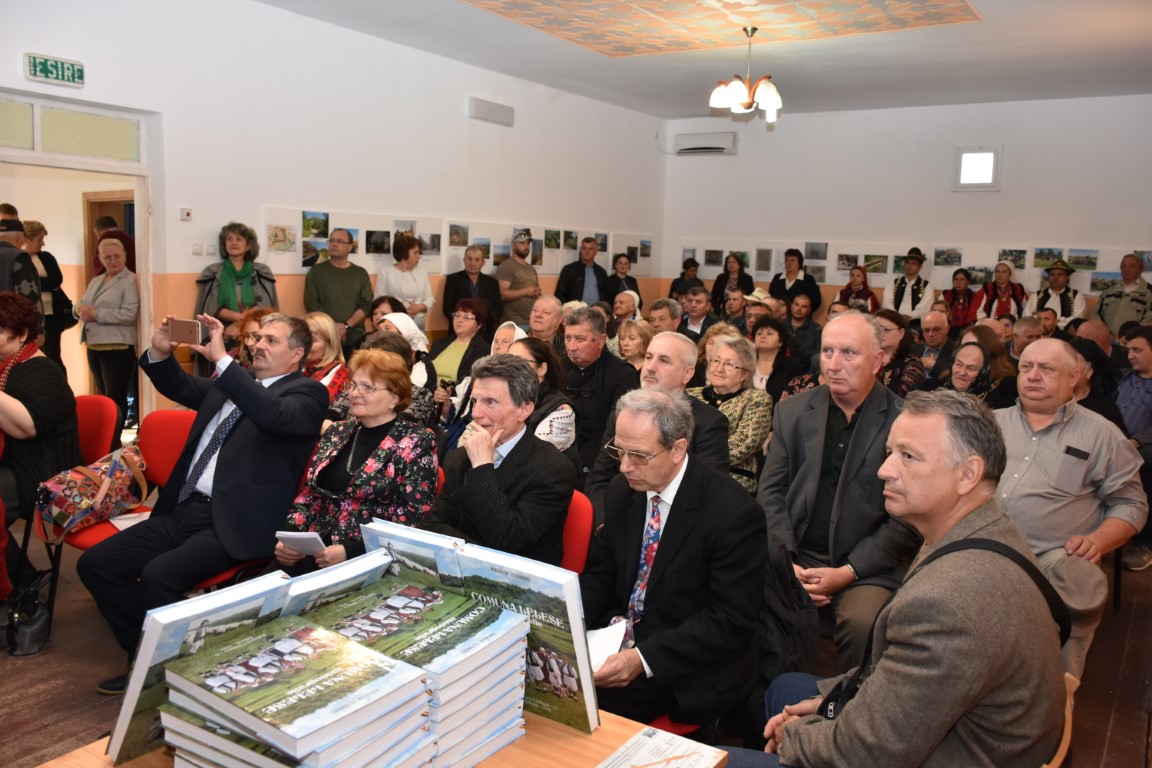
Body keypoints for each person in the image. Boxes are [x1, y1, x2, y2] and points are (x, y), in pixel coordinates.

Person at [727, 391, 1065, 768]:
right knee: (785, 688)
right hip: (964, 732)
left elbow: (869, 751)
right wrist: (833, 699)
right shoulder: (985, 530)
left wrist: (793, 736)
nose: (884, 470)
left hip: (945, 754)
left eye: (908, 456)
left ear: (968, 474)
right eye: (889, 452)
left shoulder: (948, 602)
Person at [78, 312, 328, 693]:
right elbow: (178, 384)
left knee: (159, 576)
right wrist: (160, 352)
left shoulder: (307, 394)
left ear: (297, 355)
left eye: (271, 340)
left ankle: (168, 674)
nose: (258, 345)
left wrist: (224, 363)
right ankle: (149, 657)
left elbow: (271, 414)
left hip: (236, 522)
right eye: (257, 338)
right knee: (97, 565)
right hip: (185, 509)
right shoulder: (233, 385)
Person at [580, 389, 766, 724]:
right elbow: (602, 574)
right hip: (617, 636)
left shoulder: (733, 514)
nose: (624, 466)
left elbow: (729, 620)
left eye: (638, 455)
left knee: (582, 700)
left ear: (678, 449)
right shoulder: (623, 490)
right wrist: (566, 622)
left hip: (686, 660)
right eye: (619, 451)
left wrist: (642, 659)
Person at [757, 311, 921, 673]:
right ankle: (768, 703)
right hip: (794, 553)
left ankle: (847, 704)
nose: (833, 364)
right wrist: (787, 565)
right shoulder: (792, 411)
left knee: (863, 624)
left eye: (849, 353)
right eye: (827, 351)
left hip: (866, 564)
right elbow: (770, 494)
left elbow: (907, 519)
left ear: (877, 361)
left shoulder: (904, 422)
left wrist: (848, 571)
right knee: (739, 600)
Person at [995, 338, 1146, 679]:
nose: (1033, 376)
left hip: (1055, 555)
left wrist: (1098, 541)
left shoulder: (1102, 434)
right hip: (986, 547)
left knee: (1080, 582)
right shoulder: (992, 423)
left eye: (1046, 369)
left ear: (1073, 377)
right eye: (1026, 367)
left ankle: (1059, 690)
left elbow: (1132, 503)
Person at [275, 349, 439, 576]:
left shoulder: (416, 440)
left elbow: (414, 517)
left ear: (394, 398)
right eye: (353, 385)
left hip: (370, 558)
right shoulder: (337, 432)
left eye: (367, 387)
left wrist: (352, 551)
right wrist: (290, 537)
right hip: (311, 550)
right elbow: (309, 494)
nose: (354, 393)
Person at [420, 354, 576, 565]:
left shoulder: (553, 469)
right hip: (461, 569)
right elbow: (431, 527)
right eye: (474, 401)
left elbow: (508, 540)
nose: (476, 413)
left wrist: (482, 468)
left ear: (524, 410)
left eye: (490, 402)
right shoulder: (459, 458)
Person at [583, 332, 730, 532]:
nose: (650, 367)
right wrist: (604, 526)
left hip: (676, 528)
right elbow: (600, 477)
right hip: (620, 522)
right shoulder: (625, 412)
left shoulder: (709, 422)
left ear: (687, 374)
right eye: (649, 357)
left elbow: (708, 492)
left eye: (664, 360)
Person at [0, 292, 81, 594]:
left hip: (44, 475)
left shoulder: (43, 371)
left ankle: (22, 585)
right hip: (17, 463)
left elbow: (27, 427)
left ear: (22, 334)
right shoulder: (7, 366)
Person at [687, 336, 772, 494]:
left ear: (745, 374)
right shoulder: (690, 394)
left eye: (729, 364)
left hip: (731, 482)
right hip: (684, 477)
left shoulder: (757, 400)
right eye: (716, 361)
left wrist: (686, 460)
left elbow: (744, 443)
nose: (719, 368)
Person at [76, 237, 139, 451]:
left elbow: (129, 314)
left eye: (117, 256)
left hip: (118, 347)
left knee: (115, 399)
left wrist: (96, 314)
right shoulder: (97, 280)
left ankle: (114, 443)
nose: (113, 261)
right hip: (94, 345)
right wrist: (79, 309)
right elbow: (82, 303)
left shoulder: (130, 280)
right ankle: (105, 440)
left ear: (125, 256)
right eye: (108, 257)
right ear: (101, 259)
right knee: (104, 397)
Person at [563, 306, 640, 478]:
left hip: (600, 463)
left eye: (580, 339)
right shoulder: (559, 367)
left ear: (601, 340)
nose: (572, 347)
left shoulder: (622, 374)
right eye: (568, 338)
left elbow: (618, 432)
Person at [194, 222, 278, 376]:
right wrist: (232, 326)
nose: (233, 242)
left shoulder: (262, 272)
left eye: (239, 239)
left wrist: (239, 325)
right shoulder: (213, 272)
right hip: (221, 333)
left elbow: (266, 310)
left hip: (256, 334)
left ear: (248, 245)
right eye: (229, 239)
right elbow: (210, 308)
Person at [508, 337, 578, 468]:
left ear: (542, 369)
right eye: (507, 362)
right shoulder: (508, 398)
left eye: (519, 362)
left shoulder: (562, 411)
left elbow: (532, 457)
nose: (510, 369)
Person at [304, 228, 373, 359]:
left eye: (340, 241)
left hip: (355, 340)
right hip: (325, 339)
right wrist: (333, 330)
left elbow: (366, 305)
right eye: (331, 241)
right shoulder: (316, 271)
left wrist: (346, 326)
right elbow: (312, 304)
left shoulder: (360, 273)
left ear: (350, 247)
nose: (334, 244)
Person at [1117, 326, 1152, 570]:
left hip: (1143, 446)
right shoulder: (1124, 377)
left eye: (1137, 350)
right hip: (1117, 441)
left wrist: (1137, 440)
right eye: (1129, 350)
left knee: (1146, 461)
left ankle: (1145, 544)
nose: (1130, 355)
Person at [20, 220, 67, 371]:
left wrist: (31, 282)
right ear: (27, 239)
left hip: (50, 316)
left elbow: (56, 280)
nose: (43, 243)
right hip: (26, 317)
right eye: (39, 239)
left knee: (53, 356)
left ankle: (60, 383)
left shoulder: (46, 258)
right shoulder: (18, 259)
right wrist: (40, 283)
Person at [375, 233, 435, 331]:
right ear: (404, 253)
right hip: (394, 324)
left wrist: (420, 307)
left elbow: (430, 299)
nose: (419, 256)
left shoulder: (422, 272)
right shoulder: (385, 272)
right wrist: (401, 311)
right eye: (415, 253)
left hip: (418, 324)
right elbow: (379, 301)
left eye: (419, 252)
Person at [442, 244, 502, 332]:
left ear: (483, 263)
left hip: (485, 331)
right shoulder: (453, 280)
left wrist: (484, 322)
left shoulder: (492, 283)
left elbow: (498, 309)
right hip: (459, 331)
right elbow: (447, 309)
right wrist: (462, 320)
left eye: (477, 260)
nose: (472, 263)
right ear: (464, 260)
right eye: (469, 259)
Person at [429, 298, 489, 385]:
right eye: (457, 315)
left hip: (455, 392)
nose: (459, 320)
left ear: (479, 325)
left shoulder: (482, 350)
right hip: (428, 390)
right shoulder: (439, 343)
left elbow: (471, 381)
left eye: (466, 317)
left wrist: (449, 390)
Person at [751, 315, 808, 405]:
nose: (763, 336)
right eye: (759, 333)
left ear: (780, 342)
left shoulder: (792, 366)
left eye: (769, 333)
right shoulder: (745, 363)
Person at [376, 311, 436, 392]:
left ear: (403, 332)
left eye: (387, 329)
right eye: (380, 330)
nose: (382, 334)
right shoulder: (381, 357)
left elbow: (413, 392)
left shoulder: (418, 359)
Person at [1095, 253, 1152, 335]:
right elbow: (1096, 313)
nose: (1126, 269)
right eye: (1123, 266)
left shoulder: (1149, 292)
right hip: (1105, 337)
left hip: (1132, 339)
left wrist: (1130, 338)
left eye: (1132, 266)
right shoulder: (1109, 289)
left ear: (1141, 268)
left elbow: (1149, 320)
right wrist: (1103, 333)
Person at [875, 309, 926, 398]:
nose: (880, 334)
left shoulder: (913, 364)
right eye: (877, 329)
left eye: (886, 329)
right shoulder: (867, 358)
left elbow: (900, 397)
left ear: (901, 333)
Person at [0, 220, 43, 323]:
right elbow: (28, 296)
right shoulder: (19, 257)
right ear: (19, 238)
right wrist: (37, 326)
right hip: (11, 325)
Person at [496, 228, 541, 328]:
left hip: (532, 321)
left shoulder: (531, 269)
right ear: (513, 245)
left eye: (528, 243)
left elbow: (534, 292)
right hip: (514, 323)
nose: (526, 246)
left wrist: (536, 292)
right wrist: (527, 291)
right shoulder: (507, 266)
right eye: (522, 243)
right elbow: (502, 294)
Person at [1024, 258, 1085, 330]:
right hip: (1039, 332)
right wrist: (1059, 321)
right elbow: (1026, 317)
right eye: (1052, 274)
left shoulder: (1076, 296)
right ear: (1048, 277)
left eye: (1060, 274)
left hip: (1064, 333)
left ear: (1066, 278)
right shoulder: (1037, 295)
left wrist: (1051, 323)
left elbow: (1077, 319)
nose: (1055, 277)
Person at [303, 312, 349, 404]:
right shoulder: (302, 369)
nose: (304, 345)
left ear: (329, 343)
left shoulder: (338, 373)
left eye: (312, 340)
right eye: (301, 339)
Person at [882, 247, 933, 322]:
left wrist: (909, 317)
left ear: (920, 266)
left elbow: (925, 309)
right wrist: (898, 317)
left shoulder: (927, 286)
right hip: (894, 320)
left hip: (916, 322)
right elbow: (886, 304)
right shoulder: (893, 283)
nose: (910, 266)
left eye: (913, 263)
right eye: (907, 262)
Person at [556, 236, 608, 306]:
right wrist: (567, 308)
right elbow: (560, 293)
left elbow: (606, 294)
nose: (587, 252)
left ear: (595, 251)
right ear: (580, 250)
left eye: (590, 249)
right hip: (575, 310)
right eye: (584, 248)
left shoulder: (602, 272)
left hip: (596, 310)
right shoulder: (569, 269)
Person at [769, 248, 821, 314]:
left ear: (799, 263)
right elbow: (771, 297)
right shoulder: (777, 278)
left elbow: (816, 302)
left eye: (792, 260)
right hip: (778, 316)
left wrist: (802, 313)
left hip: (800, 317)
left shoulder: (808, 279)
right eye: (786, 260)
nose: (789, 263)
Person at [910, 309, 953, 378]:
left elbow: (956, 377)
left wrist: (933, 365)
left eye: (936, 329)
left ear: (947, 329)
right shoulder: (911, 350)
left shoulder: (957, 351)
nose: (930, 334)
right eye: (926, 330)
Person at [942, 267, 978, 337]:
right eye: (956, 279)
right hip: (949, 329)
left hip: (968, 329)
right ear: (952, 281)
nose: (958, 282)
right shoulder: (946, 294)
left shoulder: (974, 296)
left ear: (968, 282)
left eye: (962, 279)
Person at [787, 295, 821, 365]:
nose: (799, 309)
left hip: (806, 368)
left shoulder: (816, 329)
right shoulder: (780, 324)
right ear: (791, 306)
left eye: (804, 306)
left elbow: (818, 355)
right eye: (796, 305)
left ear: (808, 310)